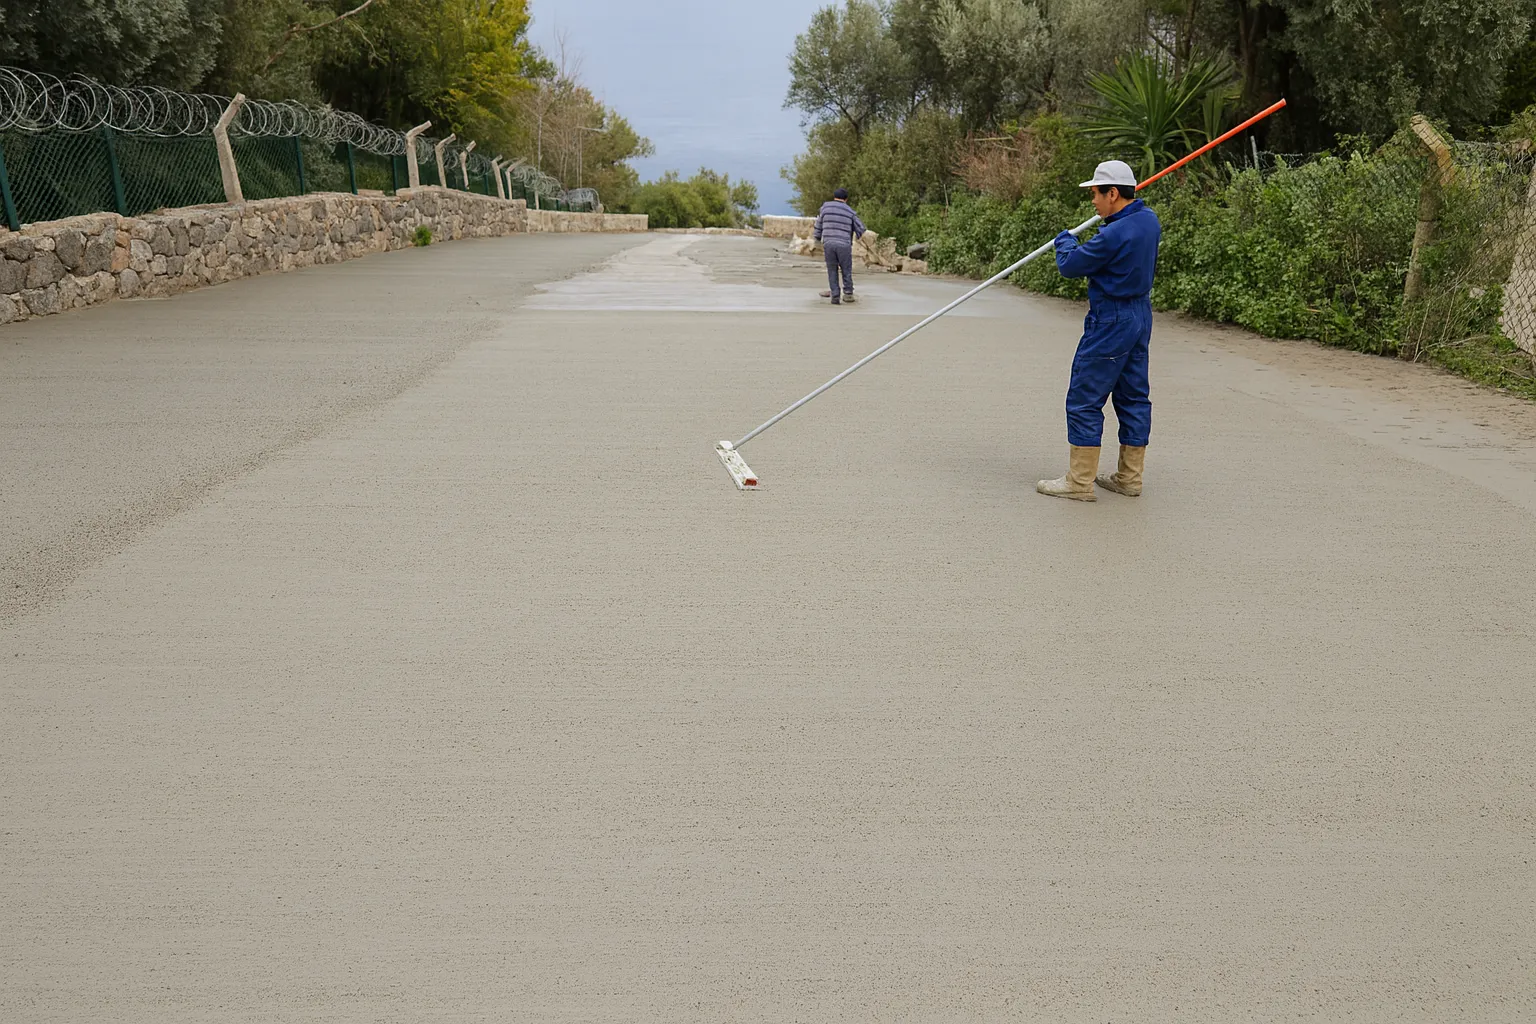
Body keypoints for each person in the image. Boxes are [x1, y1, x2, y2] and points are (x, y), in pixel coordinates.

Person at [1037, 160, 1162, 502]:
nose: (1092, 201)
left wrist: (1064, 241)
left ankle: (1079, 483)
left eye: (1095, 194)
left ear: (1112, 193)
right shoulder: (1148, 221)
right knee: (1134, 394)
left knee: (1084, 396)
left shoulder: (1113, 235)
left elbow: (1069, 266)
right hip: (1140, 316)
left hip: (1111, 320)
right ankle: (1129, 478)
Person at [814, 188, 865, 305]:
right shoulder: (850, 212)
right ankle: (848, 294)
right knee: (846, 269)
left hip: (828, 243)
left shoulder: (825, 208)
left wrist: (817, 239)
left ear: (834, 196)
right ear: (846, 199)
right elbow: (861, 228)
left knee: (832, 269)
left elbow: (818, 224)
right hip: (844, 244)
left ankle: (835, 295)